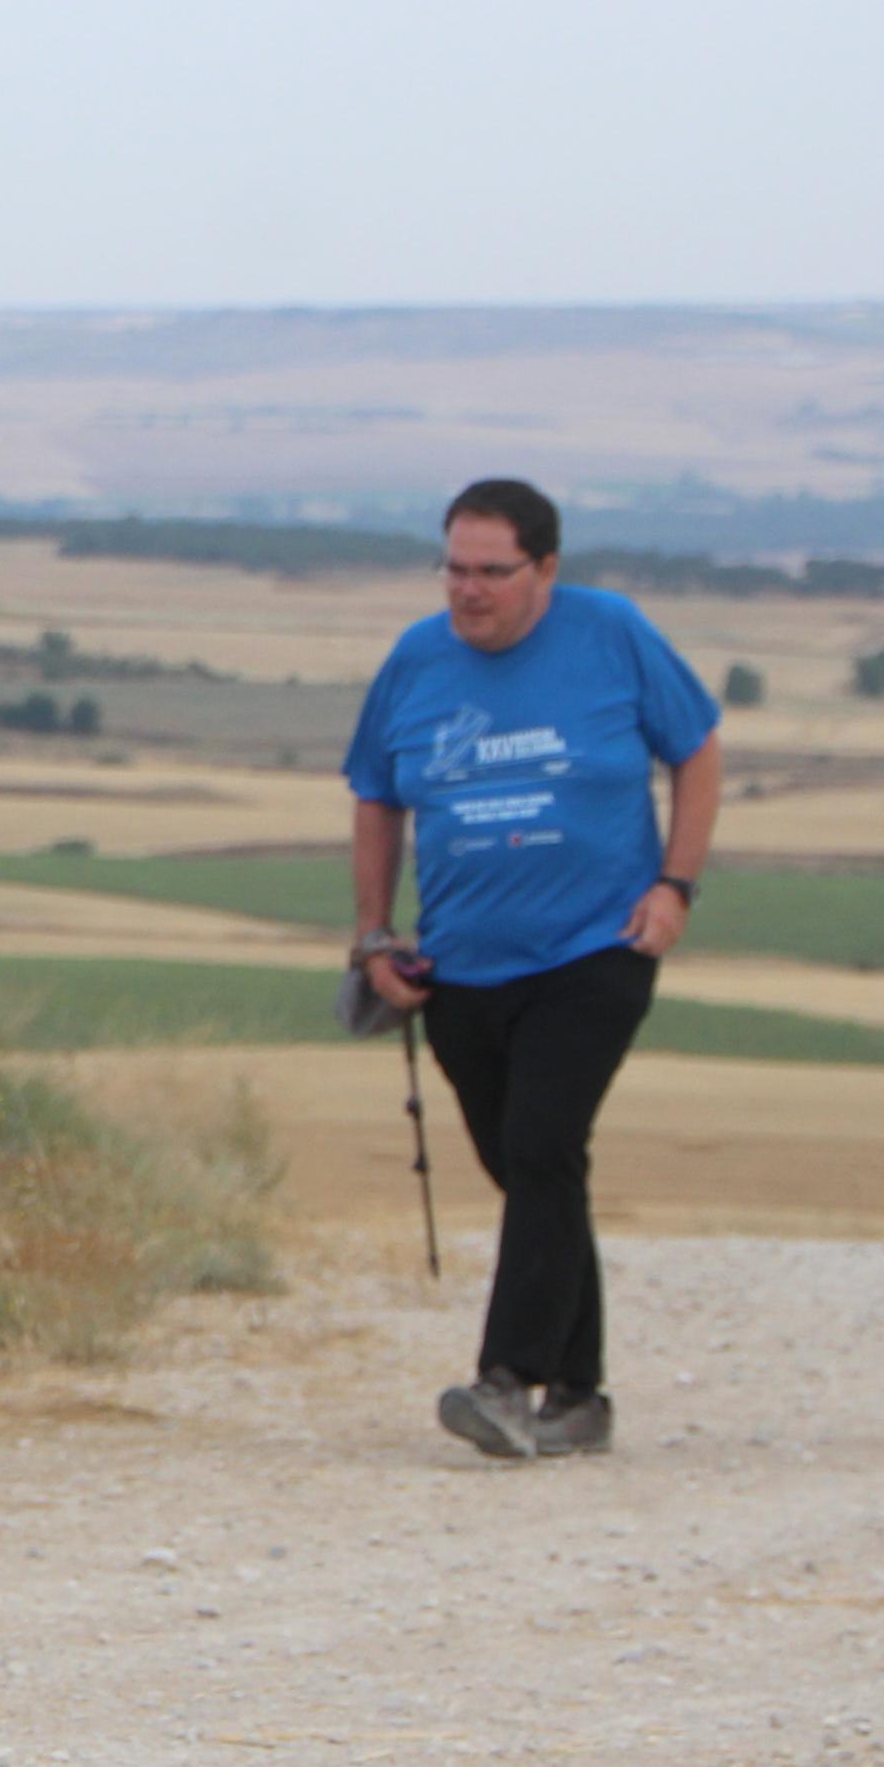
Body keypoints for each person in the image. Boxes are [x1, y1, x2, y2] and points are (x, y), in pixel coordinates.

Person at [342, 477, 721, 1462]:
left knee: (545, 1143)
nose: (466, 591)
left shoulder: (611, 633)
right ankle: (580, 1395)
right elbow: (376, 795)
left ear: (544, 569)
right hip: (460, 962)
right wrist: (372, 934)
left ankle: (504, 1381)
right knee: (527, 1169)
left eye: (490, 572)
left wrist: (675, 883)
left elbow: (696, 747)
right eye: (453, 570)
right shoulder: (414, 660)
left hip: (596, 947)